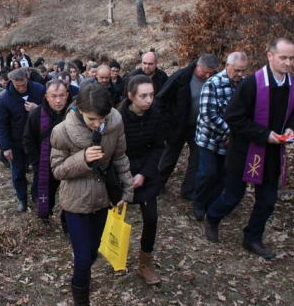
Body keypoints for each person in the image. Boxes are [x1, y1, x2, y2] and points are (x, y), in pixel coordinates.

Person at [204, 38, 294, 259]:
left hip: (272, 154)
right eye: (283, 57)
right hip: (244, 152)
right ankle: (212, 217)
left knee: (268, 200)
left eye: (291, 58)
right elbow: (233, 118)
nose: (288, 63)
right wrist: (264, 135)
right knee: (233, 196)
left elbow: (293, 114)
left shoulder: (292, 86)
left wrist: (290, 129)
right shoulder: (252, 84)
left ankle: (252, 237)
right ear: (269, 55)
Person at [50, 82, 134, 305]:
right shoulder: (61, 132)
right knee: (83, 259)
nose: (98, 125)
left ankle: (84, 269)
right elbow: (57, 170)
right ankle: (81, 300)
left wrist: (127, 190)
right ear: (79, 110)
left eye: (102, 118)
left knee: (92, 251)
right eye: (91, 119)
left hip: (104, 197)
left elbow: (120, 157)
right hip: (75, 201)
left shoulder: (115, 121)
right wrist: (83, 158)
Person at [118, 75, 164, 285]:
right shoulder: (118, 118)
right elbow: (112, 152)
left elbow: (158, 147)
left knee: (151, 218)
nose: (149, 100)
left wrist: (144, 173)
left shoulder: (155, 115)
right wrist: (125, 176)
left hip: (146, 173)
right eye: (143, 96)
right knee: (114, 217)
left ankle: (145, 261)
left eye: (151, 95)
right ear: (131, 96)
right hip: (120, 173)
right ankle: (114, 254)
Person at [193, 52, 248, 221]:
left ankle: (212, 204)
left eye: (243, 71)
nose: (240, 74)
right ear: (227, 66)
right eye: (237, 70)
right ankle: (199, 203)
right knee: (208, 173)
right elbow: (209, 116)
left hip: (230, 143)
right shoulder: (213, 84)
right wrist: (230, 132)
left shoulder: (244, 85)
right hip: (208, 138)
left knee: (222, 175)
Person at [156, 53, 218, 200]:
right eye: (205, 72)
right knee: (170, 156)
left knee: (197, 158)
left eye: (211, 72)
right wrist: (165, 124)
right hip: (177, 124)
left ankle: (188, 190)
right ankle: (158, 184)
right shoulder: (181, 77)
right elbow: (160, 100)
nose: (208, 76)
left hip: (199, 126)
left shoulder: (215, 79)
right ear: (198, 66)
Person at [23, 79, 70, 228]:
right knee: (46, 194)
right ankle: (45, 216)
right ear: (46, 97)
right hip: (45, 165)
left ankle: (67, 223)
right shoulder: (36, 115)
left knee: (69, 195)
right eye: (54, 96)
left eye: (62, 96)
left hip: (69, 164)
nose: (58, 101)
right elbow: (28, 140)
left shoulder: (73, 114)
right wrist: (37, 163)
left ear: (67, 95)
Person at [0, 68, 45, 212]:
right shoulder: (5, 97)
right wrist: (5, 147)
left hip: (36, 140)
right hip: (16, 141)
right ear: (11, 82)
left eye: (23, 85)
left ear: (27, 77)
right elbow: (2, 123)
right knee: (18, 173)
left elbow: (50, 110)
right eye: (18, 86)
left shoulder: (39, 89)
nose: (21, 88)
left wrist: (38, 109)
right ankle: (22, 198)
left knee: (39, 171)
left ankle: (36, 196)